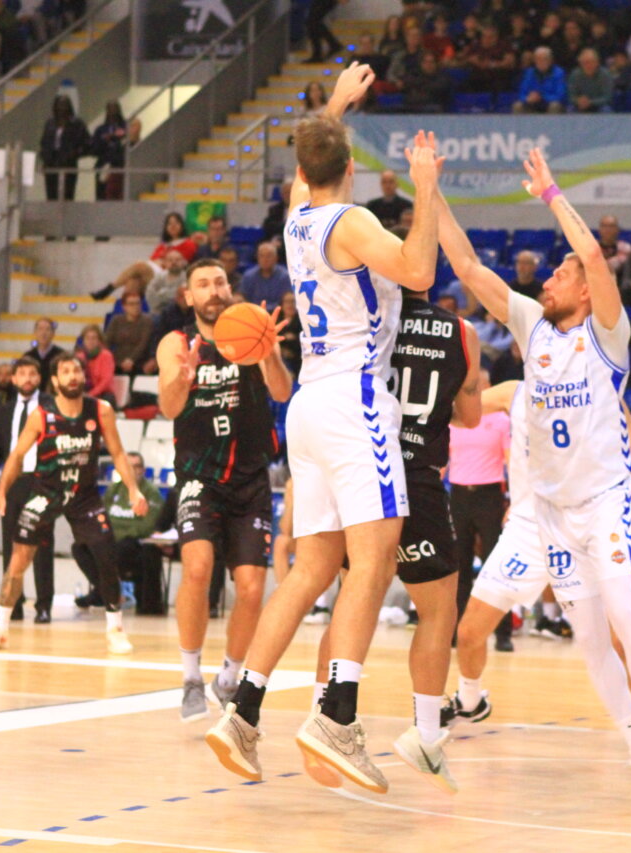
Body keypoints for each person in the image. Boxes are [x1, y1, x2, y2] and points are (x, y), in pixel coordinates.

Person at [205, 63, 439, 794]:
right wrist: (426, 184)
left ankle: (241, 710)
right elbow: (420, 270)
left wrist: (333, 107)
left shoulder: (295, 216)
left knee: (312, 569)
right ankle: (336, 714)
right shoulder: (353, 220)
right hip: (355, 399)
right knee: (376, 556)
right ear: (352, 166)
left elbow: (308, 173)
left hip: (306, 404)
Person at [435, 144, 631, 807]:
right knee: (589, 641)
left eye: (560, 272)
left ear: (583, 289)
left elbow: (597, 257)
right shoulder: (530, 327)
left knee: (627, 619)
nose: (549, 277)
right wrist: (429, 193)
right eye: (550, 271)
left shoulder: (607, 333)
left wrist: (551, 194)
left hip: (603, 501)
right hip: (548, 513)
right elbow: (466, 265)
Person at [309, 282, 480, 792]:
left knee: (352, 596)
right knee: (438, 609)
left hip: (361, 468)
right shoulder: (460, 331)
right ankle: (426, 734)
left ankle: (324, 715)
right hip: (418, 476)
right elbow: (470, 416)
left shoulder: (363, 320)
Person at [156, 258, 292, 722]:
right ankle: (191, 677)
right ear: (188, 297)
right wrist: (184, 376)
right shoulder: (176, 343)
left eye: (219, 282)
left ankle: (228, 678)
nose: (213, 290)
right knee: (197, 568)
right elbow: (169, 407)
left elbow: (281, 393)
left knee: (252, 589)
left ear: (230, 289)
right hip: (199, 477)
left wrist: (270, 351)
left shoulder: (251, 331)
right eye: (203, 285)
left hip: (251, 478)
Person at [0, 354, 145, 653]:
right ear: (55, 381)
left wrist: (133, 490)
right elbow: (16, 456)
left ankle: (115, 628)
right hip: (45, 491)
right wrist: (0, 492)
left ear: (83, 377)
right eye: (65, 371)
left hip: (84, 495)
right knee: (19, 558)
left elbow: (119, 454)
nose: (72, 376)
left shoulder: (101, 410)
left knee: (105, 553)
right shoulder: (42, 415)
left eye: (77, 370)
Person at [0, 357, 55, 623]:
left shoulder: (50, 406)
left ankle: (44, 605)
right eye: (21, 373)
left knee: (42, 544)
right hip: (13, 481)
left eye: (32, 373)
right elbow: (4, 444)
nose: (27, 378)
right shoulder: (5, 410)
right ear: (13, 379)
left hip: (42, 479)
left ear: (39, 378)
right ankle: (12, 604)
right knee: (10, 544)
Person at [448, 370, 511, 647]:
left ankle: (503, 634)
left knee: (493, 566)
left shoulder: (500, 420)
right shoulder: (453, 420)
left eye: (478, 385)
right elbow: (441, 463)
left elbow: (511, 460)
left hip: (489, 495)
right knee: (458, 567)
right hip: (459, 495)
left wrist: (515, 500)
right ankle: (453, 631)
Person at [73, 451, 166, 614]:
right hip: (112, 539)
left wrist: (119, 530)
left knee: (122, 547)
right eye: (128, 467)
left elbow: (146, 526)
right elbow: (102, 518)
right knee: (80, 547)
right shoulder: (113, 490)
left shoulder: (151, 493)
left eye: (136, 467)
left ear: (143, 470)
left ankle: (108, 593)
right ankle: (103, 591)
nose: (132, 471)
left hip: (134, 544)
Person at [39, 95, 90, 202]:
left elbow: (87, 143)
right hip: (51, 165)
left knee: (67, 196)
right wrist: (44, 157)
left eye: (64, 105)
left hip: (68, 164)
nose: (62, 108)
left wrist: (75, 153)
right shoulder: (50, 123)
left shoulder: (77, 124)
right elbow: (44, 142)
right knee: (51, 196)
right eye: (59, 105)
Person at [93, 251, 189, 306]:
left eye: (177, 260)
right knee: (133, 281)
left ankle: (112, 287)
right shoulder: (164, 245)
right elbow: (152, 293)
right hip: (156, 276)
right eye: (170, 260)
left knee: (139, 266)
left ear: (183, 262)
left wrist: (160, 294)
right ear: (165, 261)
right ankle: (128, 315)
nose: (174, 262)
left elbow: (175, 294)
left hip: (167, 301)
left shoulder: (186, 277)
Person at [108, 293, 154, 377]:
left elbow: (143, 344)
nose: (135, 307)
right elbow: (107, 340)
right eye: (131, 304)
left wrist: (131, 359)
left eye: (138, 303)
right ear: (124, 306)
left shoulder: (147, 321)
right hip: (118, 361)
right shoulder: (116, 320)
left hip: (138, 362)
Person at [92, 101, 131, 201]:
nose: (112, 112)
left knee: (118, 197)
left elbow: (131, 142)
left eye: (115, 109)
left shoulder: (126, 127)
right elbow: (94, 148)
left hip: (120, 167)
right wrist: (105, 141)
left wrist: (116, 138)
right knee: (101, 196)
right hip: (103, 165)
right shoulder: (100, 130)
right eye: (110, 109)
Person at [514, 46, 566, 113]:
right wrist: (527, 98)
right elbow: (521, 93)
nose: (540, 62)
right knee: (518, 106)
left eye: (544, 59)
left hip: (549, 103)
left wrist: (542, 97)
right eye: (537, 59)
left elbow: (561, 96)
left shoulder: (559, 73)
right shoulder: (529, 73)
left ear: (550, 60)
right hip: (532, 103)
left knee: (554, 105)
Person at [240, 242, 292, 308]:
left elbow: (288, 296)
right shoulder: (248, 276)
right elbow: (242, 296)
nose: (265, 259)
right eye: (261, 256)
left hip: (279, 311)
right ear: (257, 258)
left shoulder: (285, 276)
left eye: (269, 256)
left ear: (276, 258)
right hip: (254, 312)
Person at [76, 324, 116, 406]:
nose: (90, 341)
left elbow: (106, 381)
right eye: (87, 338)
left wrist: (90, 395)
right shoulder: (79, 356)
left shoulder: (106, 355)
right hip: (84, 393)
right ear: (83, 341)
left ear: (99, 340)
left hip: (103, 394)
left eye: (94, 338)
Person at [568, 48, 614, 113]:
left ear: (597, 62)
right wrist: (578, 100)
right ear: (580, 63)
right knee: (570, 109)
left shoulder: (605, 75)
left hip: (599, 105)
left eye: (592, 62)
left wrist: (590, 102)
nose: (588, 65)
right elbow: (571, 96)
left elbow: (608, 97)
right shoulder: (575, 75)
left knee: (606, 110)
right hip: (580, 105)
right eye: (585, 62)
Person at [385, 24, 426, 89]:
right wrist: (397, 81)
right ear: (407, 38)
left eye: (417, 35)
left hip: (420, 85)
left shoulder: (425, 55)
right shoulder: (398, 56)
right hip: (403, 84)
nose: (414, 38)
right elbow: (390, 74)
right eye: (412, 35)